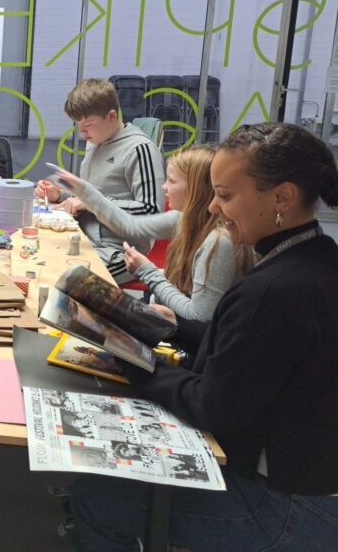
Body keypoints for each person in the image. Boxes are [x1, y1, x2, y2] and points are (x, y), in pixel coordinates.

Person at [72, 123, 338, 551]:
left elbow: (212, 406)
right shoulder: (316, 256)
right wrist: (170, 328)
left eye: (226, 196)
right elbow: (243, 347)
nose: (213, 207)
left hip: (288, 504)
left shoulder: (274, 291)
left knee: (97, 498)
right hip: (309, 479)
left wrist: (135, 359)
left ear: (282, 198)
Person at [47, 146, 252, 321]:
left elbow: (199, 316)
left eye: (171, 181)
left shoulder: (218, 242)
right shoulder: (183, 219)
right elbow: (130, 226)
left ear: (196, 190)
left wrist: (148, 271)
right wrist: (83, 191)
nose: (164, 187)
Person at [36, 78, 164, 283]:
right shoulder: (96, 142)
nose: (82, 132)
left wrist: (90, 202)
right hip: (84, 235)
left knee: (59, 278)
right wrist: (61, 194)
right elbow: (95, 195)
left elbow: (151, 211)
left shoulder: (140, 149)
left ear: (111, 116)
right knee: (37, 257)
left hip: (120, 250)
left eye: (88, 125)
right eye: (78, 125)